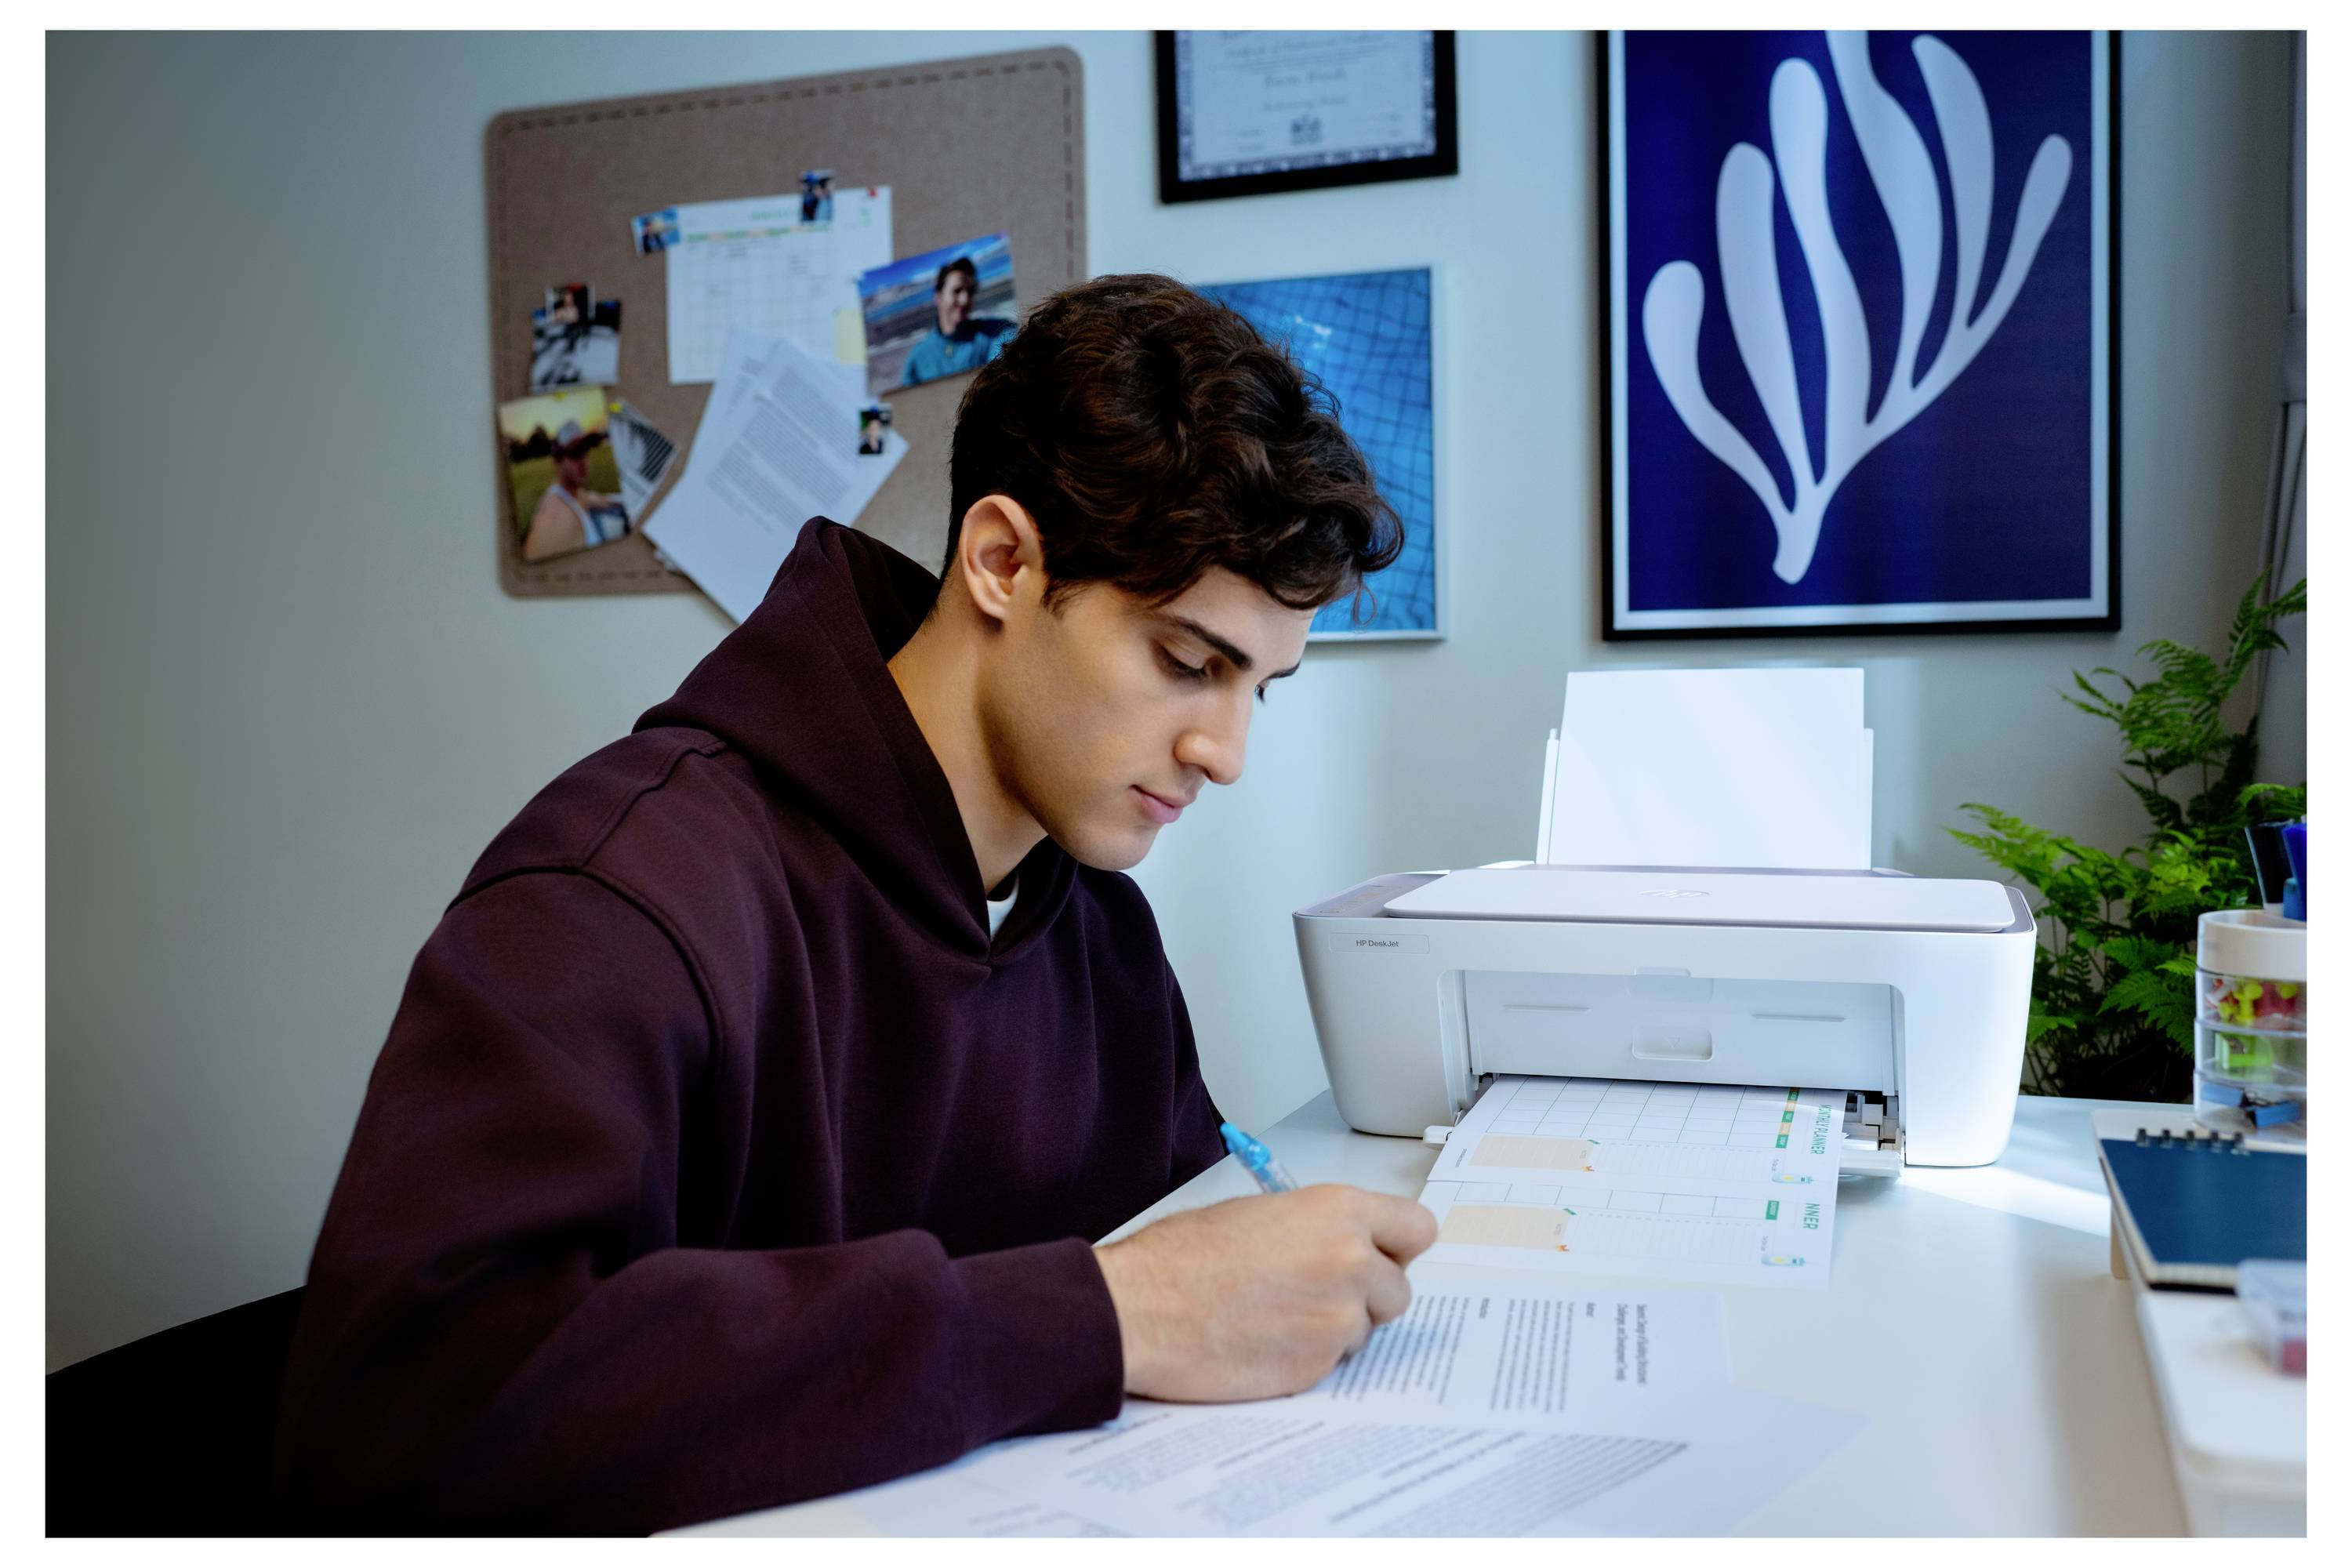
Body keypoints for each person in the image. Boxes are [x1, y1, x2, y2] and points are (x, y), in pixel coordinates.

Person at [277, 273, 1423, 1534]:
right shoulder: (618, 892)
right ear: (1001, 562)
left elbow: (1191, 1242)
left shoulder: (1091, 915)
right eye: (1187, 663)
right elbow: (403, 1409)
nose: (1225, 752)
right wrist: (1105, 1315)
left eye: (1262, 687)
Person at [897, 254, 1018, 387]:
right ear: (939, 297)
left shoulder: (995, 332)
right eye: (957, 291)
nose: (965, 300)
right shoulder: (918, 357)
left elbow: (1010, 337)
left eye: (970, 292)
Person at [520, 420, 628, 561]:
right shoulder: (554, 515)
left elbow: (598, 500)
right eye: (575, 454)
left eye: (585, 451)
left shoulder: (576, 493)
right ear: (557, 461)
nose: (584, 462)